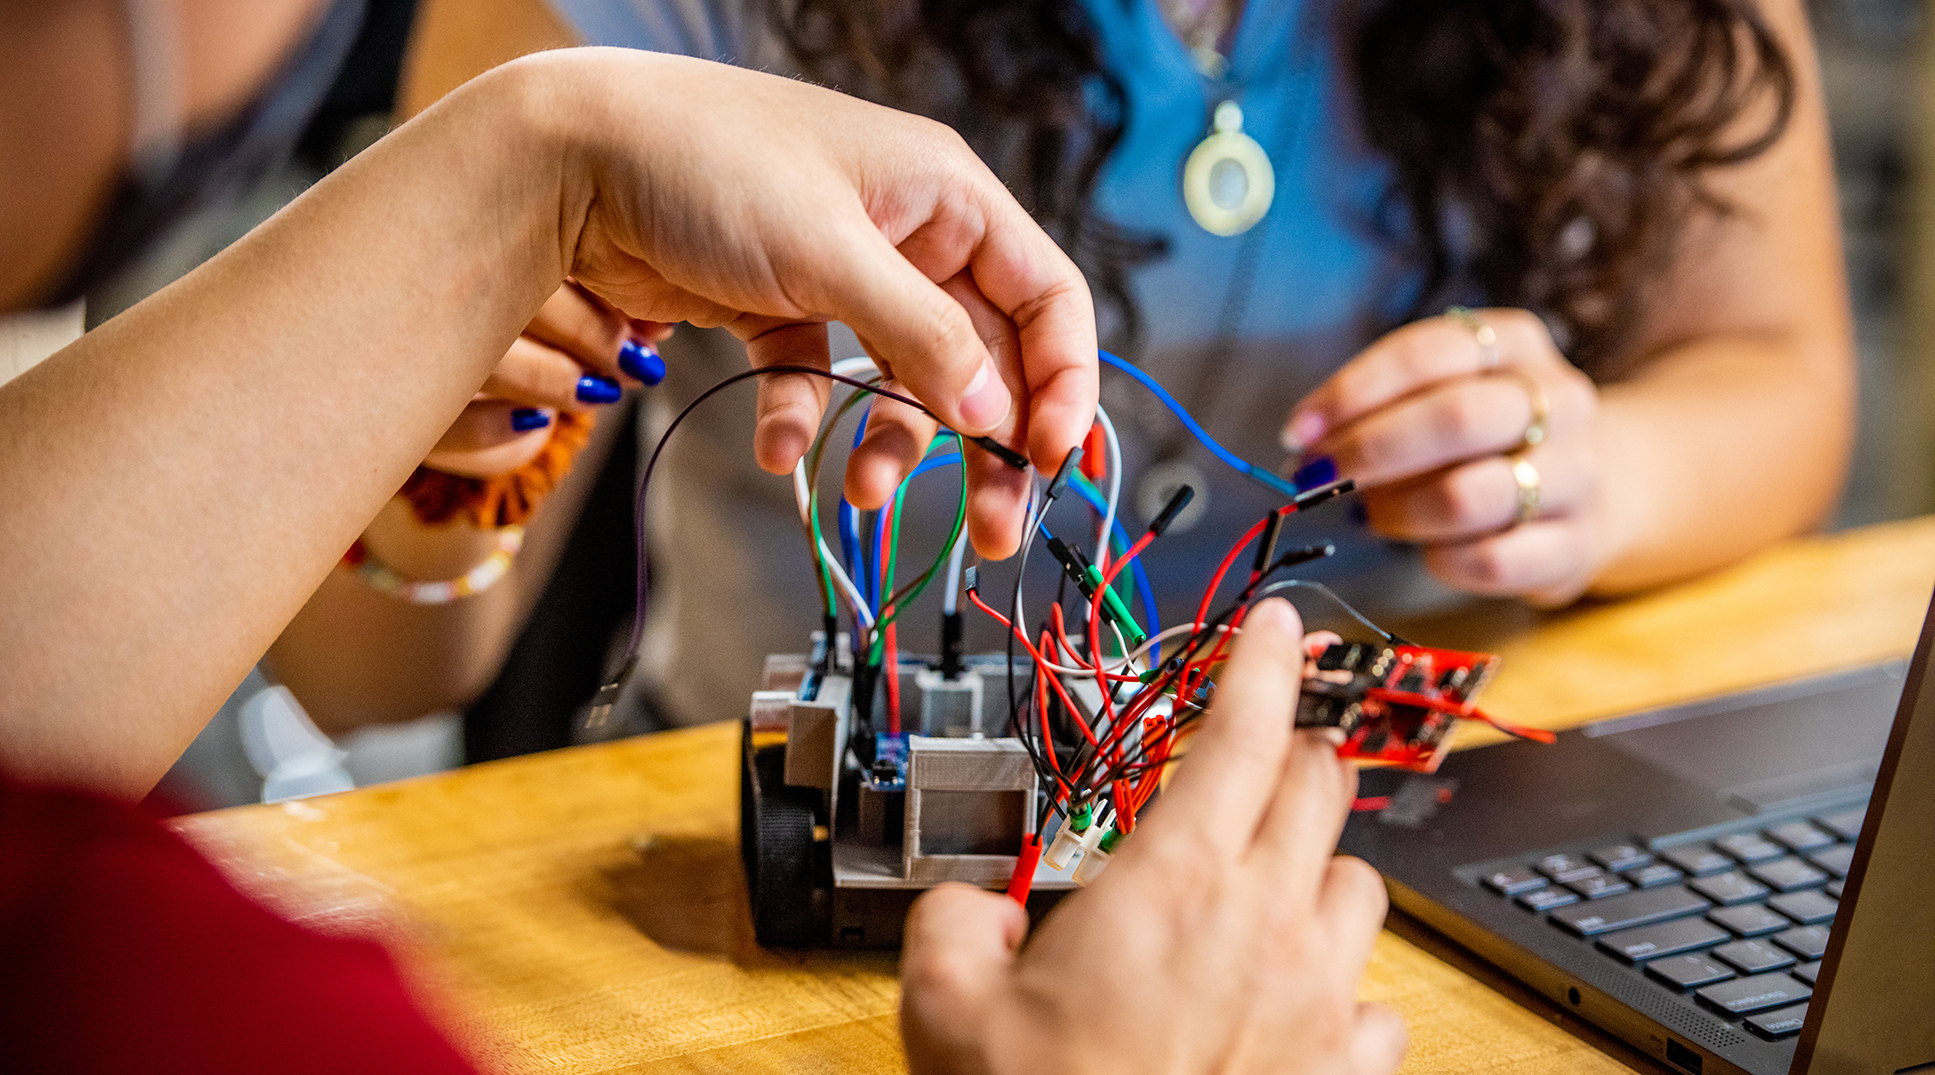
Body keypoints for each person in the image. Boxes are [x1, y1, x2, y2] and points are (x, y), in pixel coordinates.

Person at [0, 4, 1403, 1072]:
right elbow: (367, 678)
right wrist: (466, 293)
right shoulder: (159, 979)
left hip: (1397, 849)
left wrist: (1577, 459)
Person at [324, 0, 1851, 750]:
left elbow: (1774, 369)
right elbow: (365, 671)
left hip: (1419, 831)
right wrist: (439, 430)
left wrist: (1602, 473)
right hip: (781, 904)